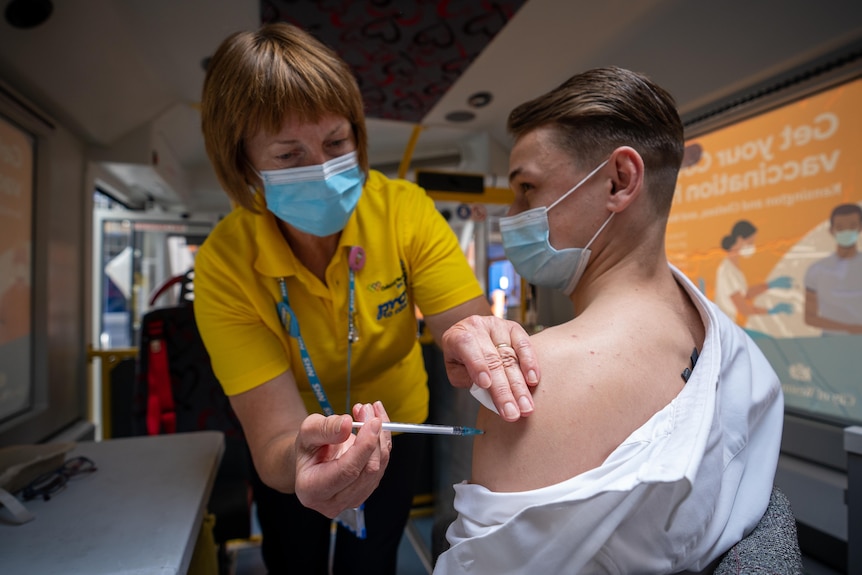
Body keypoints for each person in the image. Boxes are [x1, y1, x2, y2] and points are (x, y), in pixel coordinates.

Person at [195, 23, 538, 575]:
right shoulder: (223, 263)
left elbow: (467, 326)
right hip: (297, 443)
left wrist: (479, 343)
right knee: (293, 558)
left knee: (373, 557)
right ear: (245, 166)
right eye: (289, 155)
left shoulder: (403, 210)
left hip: (397, 425)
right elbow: (276, 436)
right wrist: (301, 460)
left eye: (337, 143)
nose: (325, 171)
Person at [436, 67, 785, 574]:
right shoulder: (737, 349)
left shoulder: (532, 383)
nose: (513, 213)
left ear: (620, 181)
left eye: (527, 188)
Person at [714, 219, 793, 324]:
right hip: (724, 324)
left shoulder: (734, 268)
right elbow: (743, 309)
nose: (752, 247)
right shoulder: (727, 271)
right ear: (740, 239)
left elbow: (745, 294)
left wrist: (770, 285)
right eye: (750, 242)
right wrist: (771, 311)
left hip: (729, 323)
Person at [804, 203, 862, 335]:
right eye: (840, 228)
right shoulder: (817, 270)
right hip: (831, 342)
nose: (846, 232)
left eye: (852, 226)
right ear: (832, 230)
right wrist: (849, 328)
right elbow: (810, 317)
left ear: (860, 227)